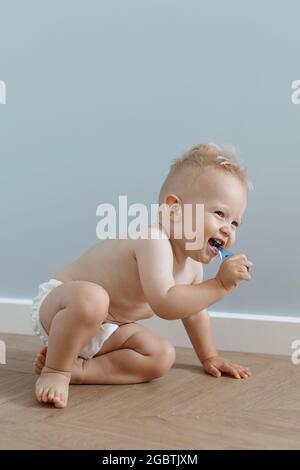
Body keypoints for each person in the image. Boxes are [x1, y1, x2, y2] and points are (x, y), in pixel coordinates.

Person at [32, 143, 253, 408]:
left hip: (109, 329)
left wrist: (209, 357)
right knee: (93, 297)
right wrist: (219, 285)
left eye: (235, 222)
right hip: (63, 310)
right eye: (220, 214)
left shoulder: (193, 266)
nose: (228, 229)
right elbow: (166, 304)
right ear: (175, 210)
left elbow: (194, 311)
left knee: (161, 355)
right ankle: (56, 370)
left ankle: (79, 370)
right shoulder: (153, 240)